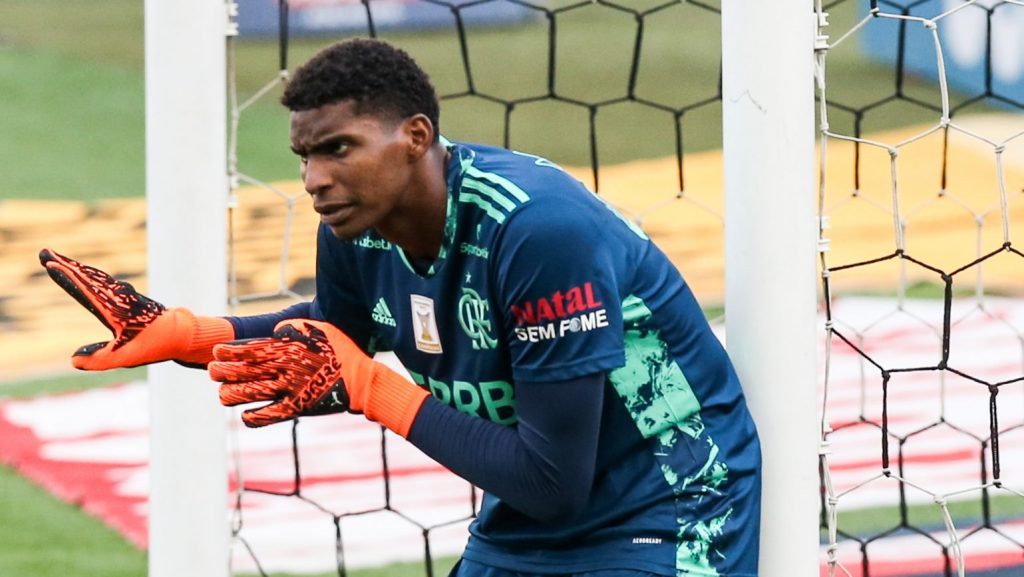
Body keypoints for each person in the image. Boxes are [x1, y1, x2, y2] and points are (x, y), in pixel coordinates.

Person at [40, 38, 761, 577]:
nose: (315, 180)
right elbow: (334, 341)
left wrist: (372, 387)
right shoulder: (356, 228)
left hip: (669, 510)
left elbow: (552, 481)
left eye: (338, 149)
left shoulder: (540, 232)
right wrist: (192, 334)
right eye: (304, 158)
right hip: (526, 519)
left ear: (415, 136)